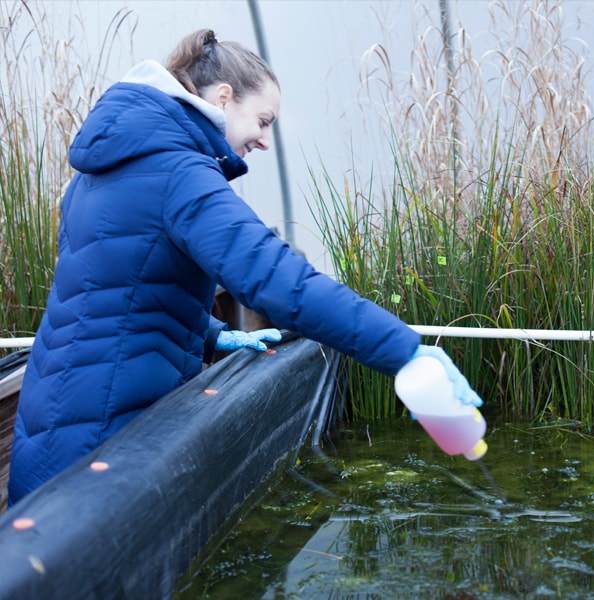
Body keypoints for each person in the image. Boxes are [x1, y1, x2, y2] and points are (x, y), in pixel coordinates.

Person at [8, 29, 481, 507]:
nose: (265, 139)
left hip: (56, 415)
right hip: (94, 440)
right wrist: (404, 351)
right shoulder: (180, 171)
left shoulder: (105, 167)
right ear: (224, 96)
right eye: (263, 119)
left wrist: (211, 333)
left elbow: (115, 284)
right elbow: (278, 279)